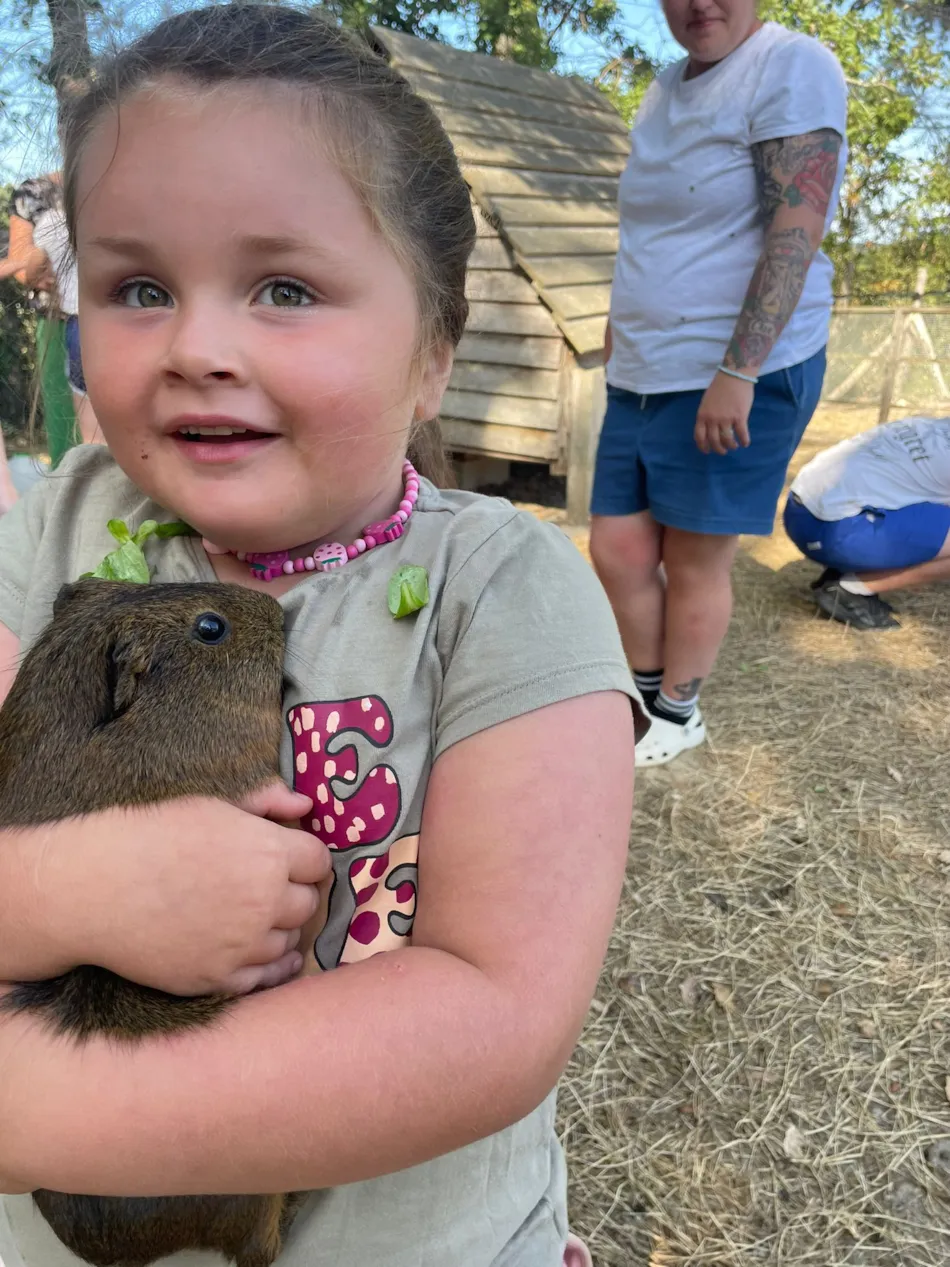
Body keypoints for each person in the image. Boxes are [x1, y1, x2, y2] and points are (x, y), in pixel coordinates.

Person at [0, 9, 644, 1267]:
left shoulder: (499, 590)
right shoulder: (53, 530)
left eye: (284, 290)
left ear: (433, 352)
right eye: (139, 289)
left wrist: (27, 1112)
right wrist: (62, 895)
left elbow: (493, 1014)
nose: (196, 347)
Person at [589, 0, 847, 765]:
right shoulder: (662, 88)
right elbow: (649, 229)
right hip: (644, 366)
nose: (699, 3)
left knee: (695, 557)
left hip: (730, 369)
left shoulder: (789, 66)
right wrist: (620, 320)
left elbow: (795, 230)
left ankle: (677, 711)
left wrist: (738, 371)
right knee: (617, 548)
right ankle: (646, 696)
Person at [784, 415, 950, 629]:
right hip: (830, 530)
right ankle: (850, 591)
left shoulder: (933, 425)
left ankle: (850, 570)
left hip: (800, 510)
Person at [7, 174, 102, 460]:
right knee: (71, 429)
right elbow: (23, 267)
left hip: (104, 320)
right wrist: (37, 266)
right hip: (58, 323)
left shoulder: (125, 173)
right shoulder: (34, 193)